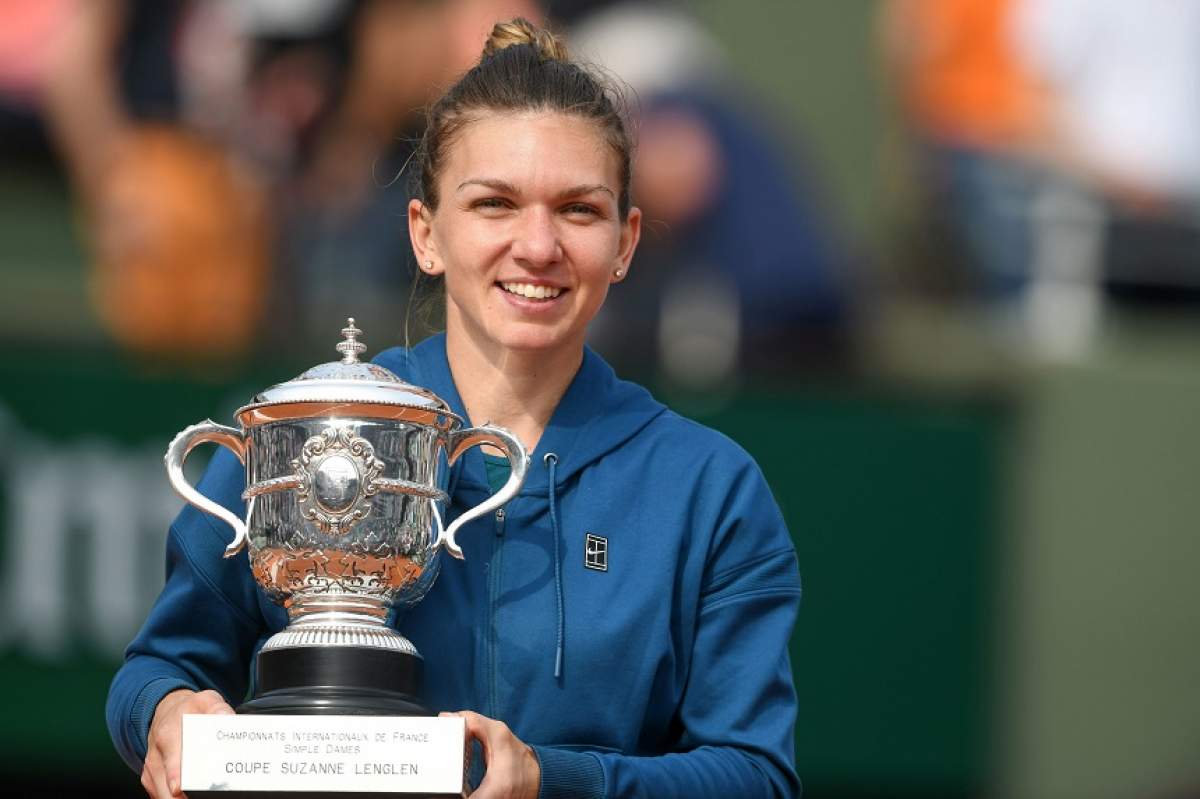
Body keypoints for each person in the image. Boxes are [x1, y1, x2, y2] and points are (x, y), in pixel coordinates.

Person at [107, 18, 802, 799]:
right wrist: (166, 710)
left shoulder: (710, 489)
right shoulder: (316, 427)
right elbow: (158, 667)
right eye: (495, 204)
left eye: (578, 209)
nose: (537, 245)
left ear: (626, 242)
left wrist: (551, 780)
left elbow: (754, 775)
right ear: (426, 233)